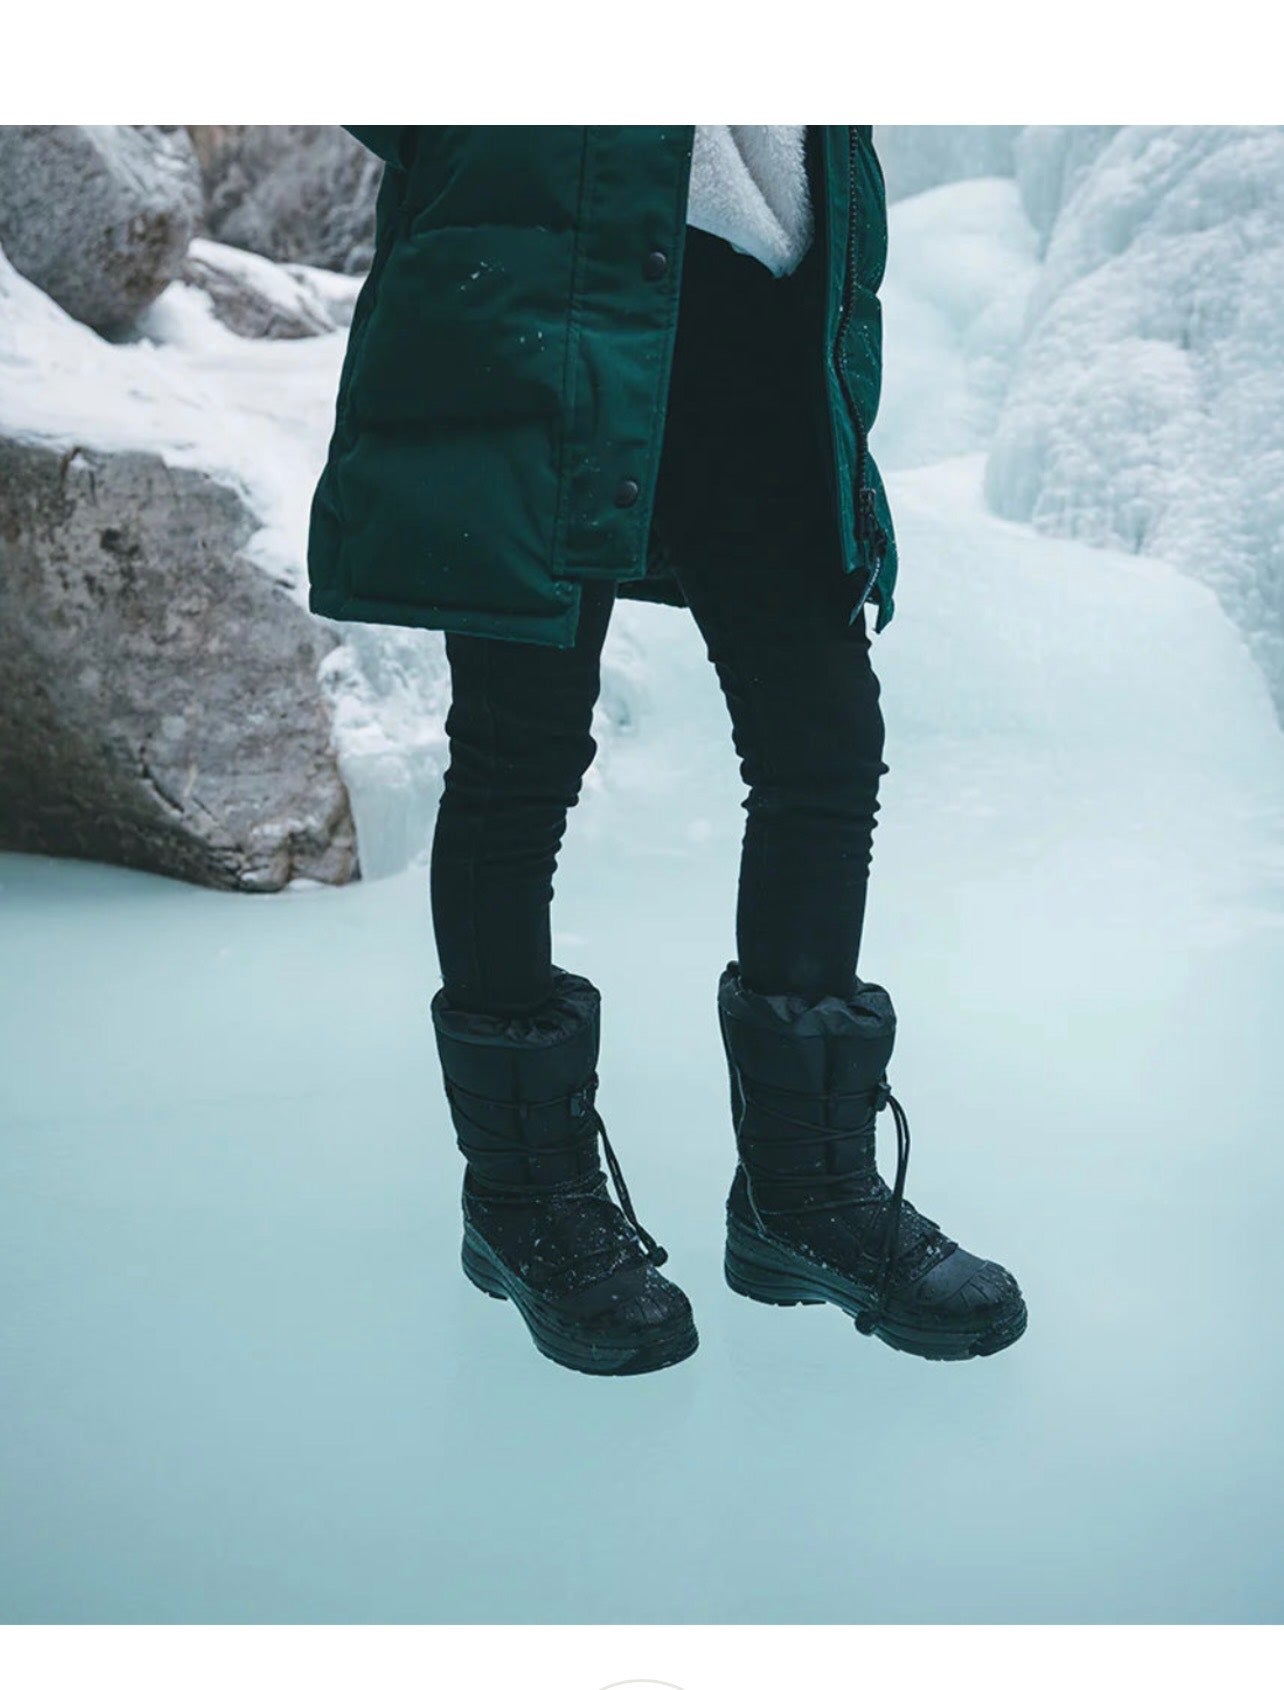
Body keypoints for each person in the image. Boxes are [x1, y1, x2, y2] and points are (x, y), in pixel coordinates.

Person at [309, 125, 1027, 1377]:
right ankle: (524, 1199)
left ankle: (806, 1195)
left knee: (824, 745)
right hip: (543, 297)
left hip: (756, 302)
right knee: (520, 753)